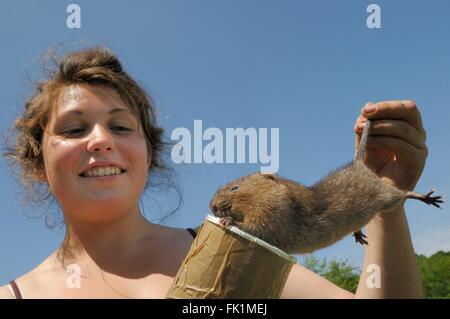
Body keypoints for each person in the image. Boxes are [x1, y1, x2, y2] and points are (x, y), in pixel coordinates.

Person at [0, 47, 425, 298]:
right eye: (74, 129)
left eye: (120, 126)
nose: (99, 140)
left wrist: (381, 199)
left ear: (148, 153)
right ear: (37, 164)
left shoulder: (237, 252)